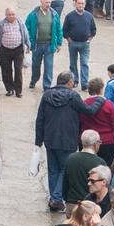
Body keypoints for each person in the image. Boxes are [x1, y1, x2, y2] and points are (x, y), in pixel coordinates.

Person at [36, 71, 101, 212]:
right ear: (69, 82)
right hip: (68, 138)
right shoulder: (73, 96)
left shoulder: (47, 95)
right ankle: (57, 198)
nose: (74, 83)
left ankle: (54, 197)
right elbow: (88, 111)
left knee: (53, 169)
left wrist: (38, 140)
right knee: (63, 169)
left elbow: (40, 118)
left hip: (50, 138)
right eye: (73, 81)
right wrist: (99, 100)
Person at [80, 77, 114, 164]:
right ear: (101, 89)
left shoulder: (83, 104)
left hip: (88, 141)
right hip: (106, 141)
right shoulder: (108, 105)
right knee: (105, 168)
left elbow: (80, 122)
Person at [24, 0, 62, 92]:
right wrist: (27, 43)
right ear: (41, 2)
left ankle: (47, 86)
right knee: (36, 65)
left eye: (50, 3)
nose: (48, 5)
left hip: (49, 44)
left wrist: (59, 43)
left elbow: (58, 29)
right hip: (37, 45)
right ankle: (34, 80)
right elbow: (26, 28)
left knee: (49, 66)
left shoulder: (54, 14)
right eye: (46, 2)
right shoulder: (33, 15)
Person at [61, 130, 106, 210]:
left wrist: (67, 199)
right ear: (95, 144)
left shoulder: (70, 158)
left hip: (72, 203)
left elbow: (65, 183)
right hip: (90, 206)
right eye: (99, 142)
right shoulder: (100, 162)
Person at [62, 0, 98, 87]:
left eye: (82, 3)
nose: (81, 5)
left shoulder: (89, 16)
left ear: (85, 4)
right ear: (75, 4)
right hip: (73, 43)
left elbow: (93, 29)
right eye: (79, 3)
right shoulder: (70, 16)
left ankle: (85, 83)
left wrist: (89, 39)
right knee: (73, 64)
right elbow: (64, 29)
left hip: (85, 44)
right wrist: (69, 39)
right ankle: (74, 81)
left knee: (84, 63)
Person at [0, 5, 29, 97]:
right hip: (5, 50)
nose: (11, 16)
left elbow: (25, 34)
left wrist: (28, 45)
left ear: (15, 15)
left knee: (18, 70)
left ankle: (18, 91)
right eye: (9, 14)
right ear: (6, 15)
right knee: (6, 70)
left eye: (13, 14)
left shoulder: (20, 23)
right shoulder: (1, 24)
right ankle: (9, 89)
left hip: (18, 50)